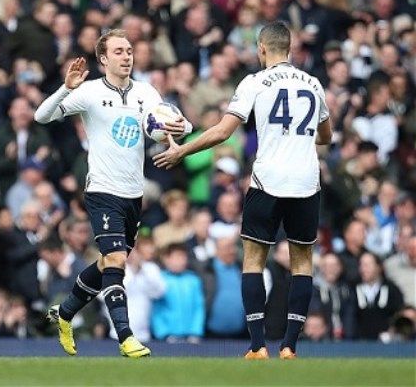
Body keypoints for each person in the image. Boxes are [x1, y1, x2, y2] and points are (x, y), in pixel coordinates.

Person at [154, 21, 332, 359]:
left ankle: (257, 345)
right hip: (307, 180)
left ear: (262, 49)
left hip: (267, 180)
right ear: (290, 49)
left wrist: (182, 150)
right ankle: (291, 345)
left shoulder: (254, 82)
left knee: (253, 260)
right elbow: (326, 137)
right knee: (303, 262)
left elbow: (223, 132)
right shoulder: (313, 83)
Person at [34, 29, 192, 357]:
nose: (127, 56)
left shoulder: (145, 91)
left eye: (130, 50)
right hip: (102, 189)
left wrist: (181, 127)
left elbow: (172, 122)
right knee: (117, 261)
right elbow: (41, 116)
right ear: (103, 59)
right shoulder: (89, 92)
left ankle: (63, 314)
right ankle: (125, 336)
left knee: (108, 263)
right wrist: (66, 88)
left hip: (134, 194)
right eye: (119, 51)